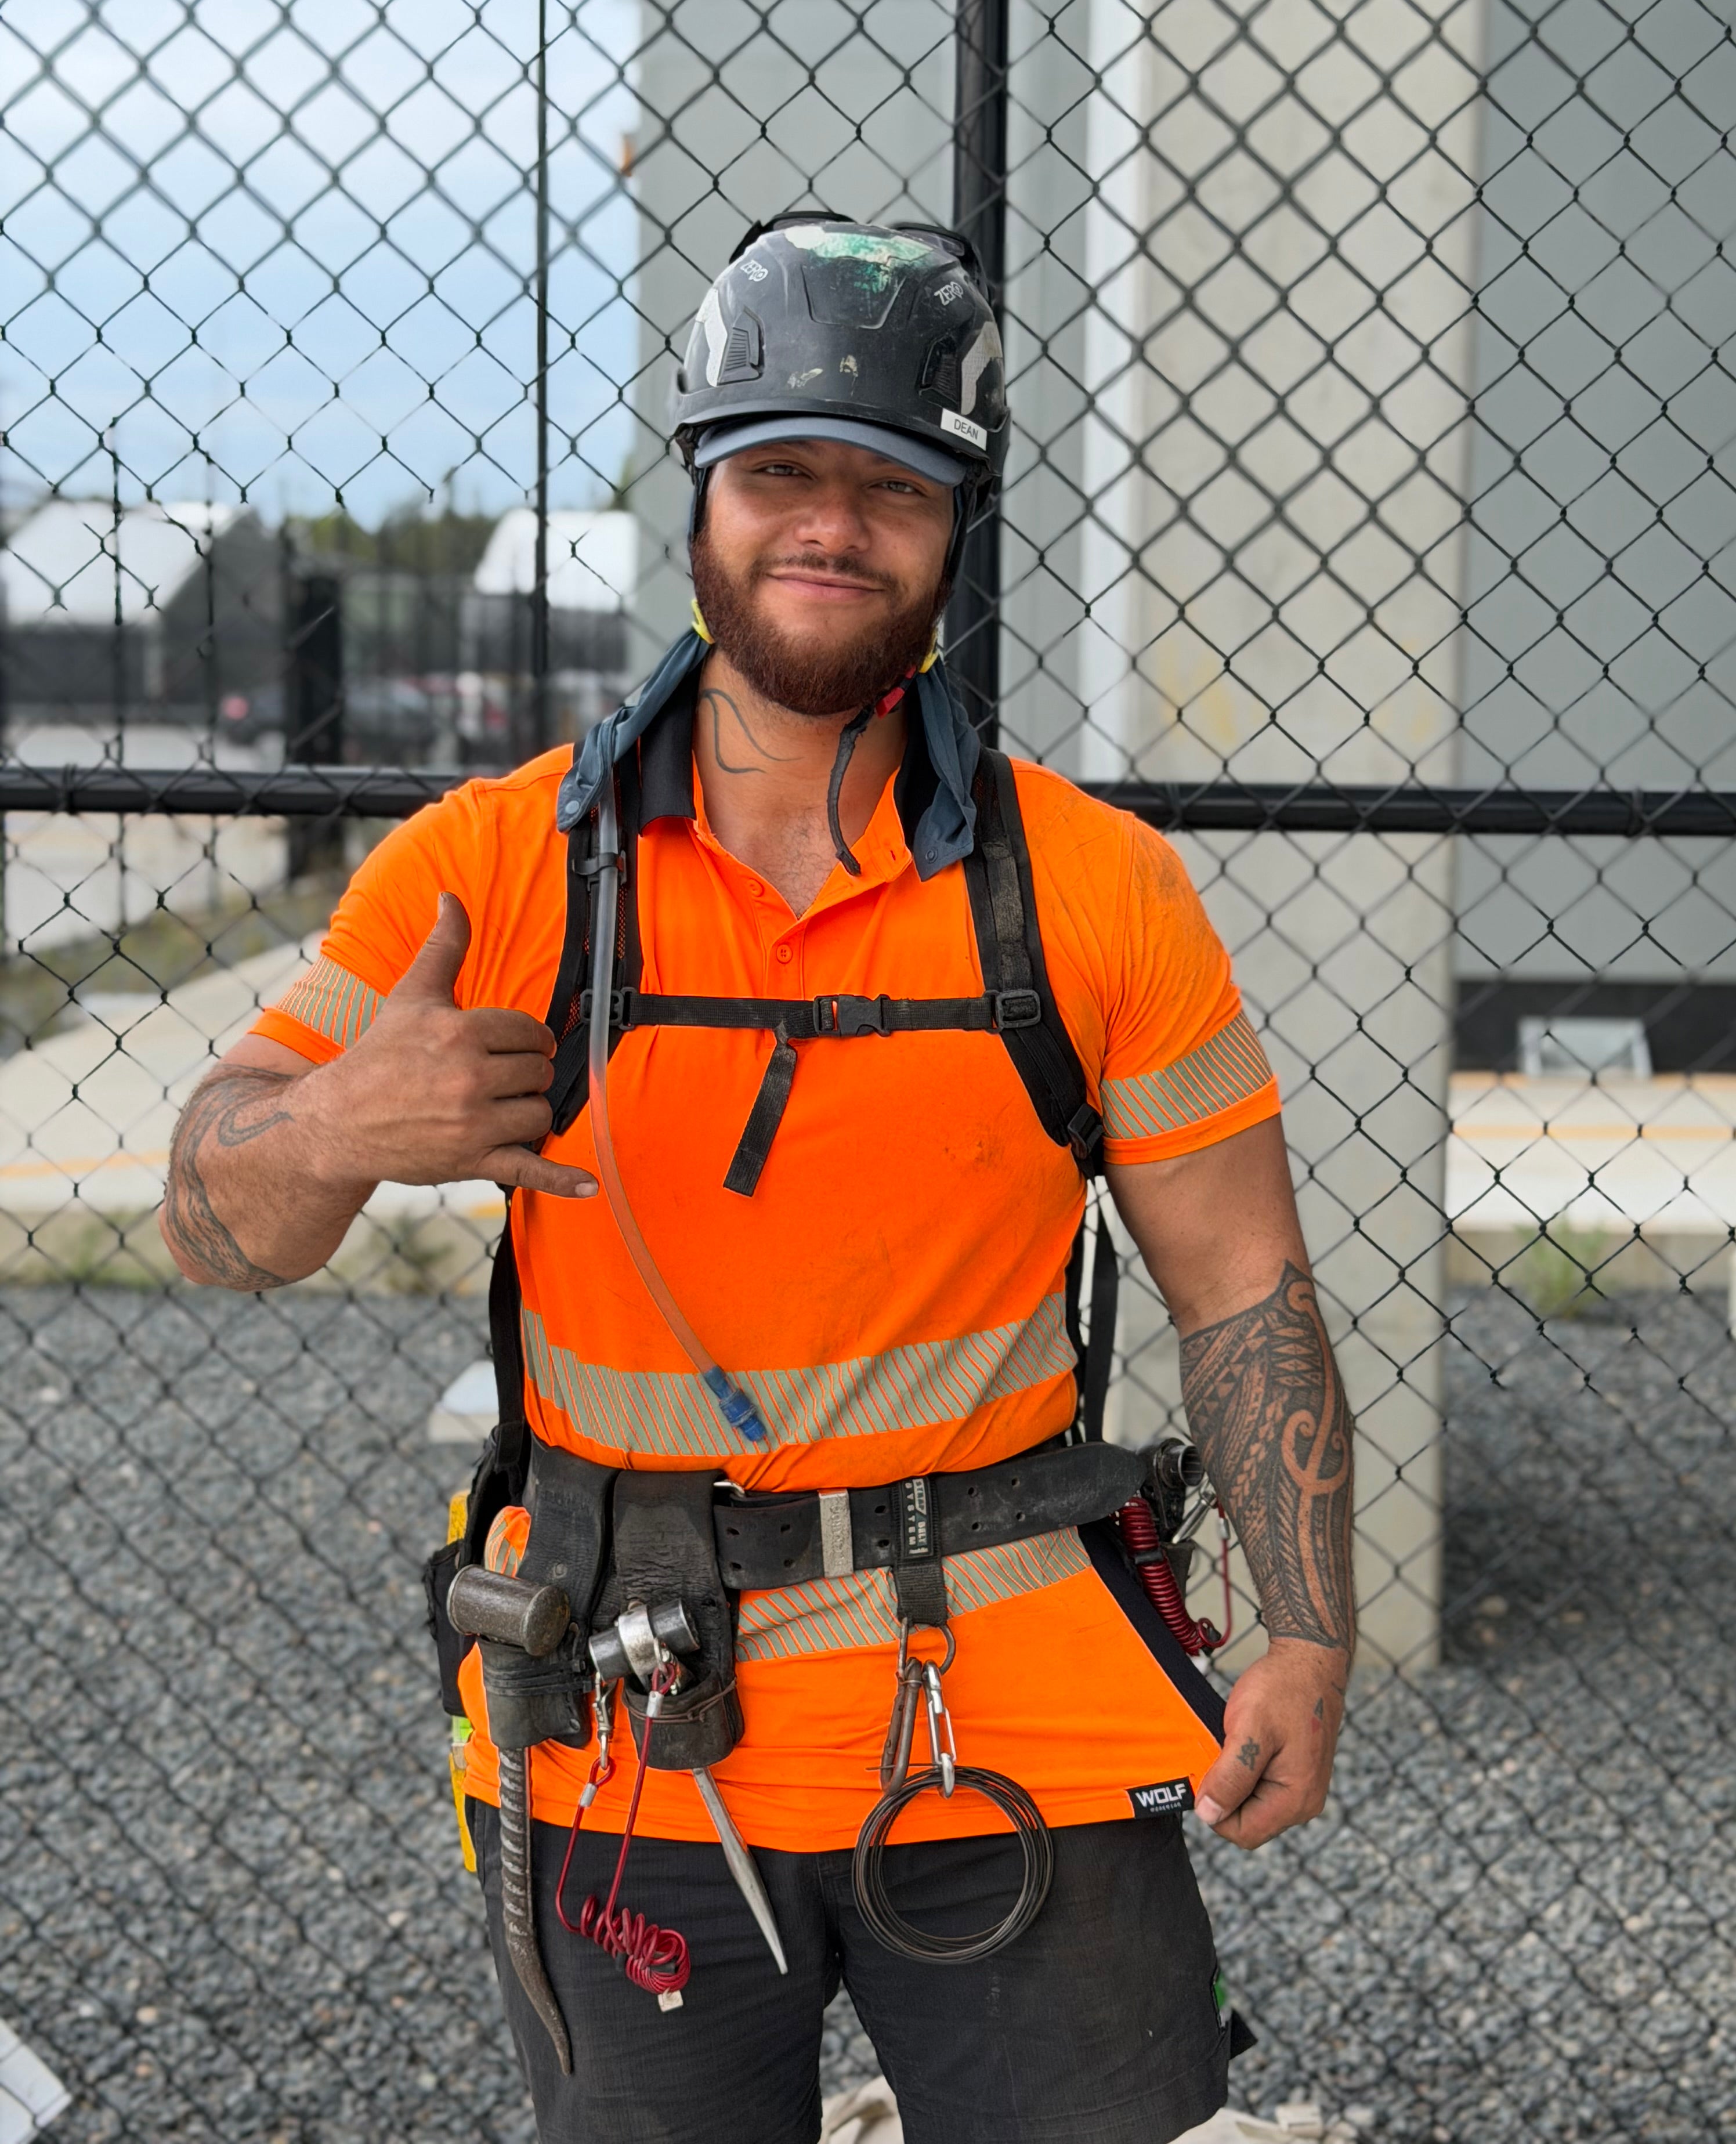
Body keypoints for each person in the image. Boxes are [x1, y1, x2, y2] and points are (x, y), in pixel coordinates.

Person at [159, 215, 1354, 2144]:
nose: (832, 524)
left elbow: (1246, 1290)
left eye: (892, 483)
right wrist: (330, 1135)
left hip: (1014, 1722)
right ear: (702, 494)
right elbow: (215, 1222)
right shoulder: (497, 869)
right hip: (626, 1740)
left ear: (958, 527)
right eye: (782, 469)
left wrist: (1308, 1627)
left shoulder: (1097, 891)